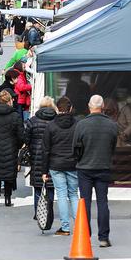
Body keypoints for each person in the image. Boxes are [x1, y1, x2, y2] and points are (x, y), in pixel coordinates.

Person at [72, 95, 117, 248]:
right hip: (103, 166)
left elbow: (75, 148)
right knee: (102, 202)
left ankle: (85, 235)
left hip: (85, 168)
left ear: (89, 106)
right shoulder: (111, 125)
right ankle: (104, 237)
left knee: (85, 203)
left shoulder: (81, 125)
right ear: (103, 105)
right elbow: (113, 146)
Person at [42, 96, 80, 236]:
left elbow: (45, 150)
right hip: (73, 164)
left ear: (57, 109)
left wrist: (44, 171)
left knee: (62, 195)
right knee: (74, 194)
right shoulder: (77, 124)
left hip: (56, 165)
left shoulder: (51, 125)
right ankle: (79, 226)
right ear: (70, 108)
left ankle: (65, 227)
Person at [24, 96, 57, 219]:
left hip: (36, 155)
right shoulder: (56, 120)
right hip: (53, 156)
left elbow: (26, 138)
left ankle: (38, 212)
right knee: (50, 185)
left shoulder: (33, 120)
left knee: (38, 186)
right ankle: (49, 211)